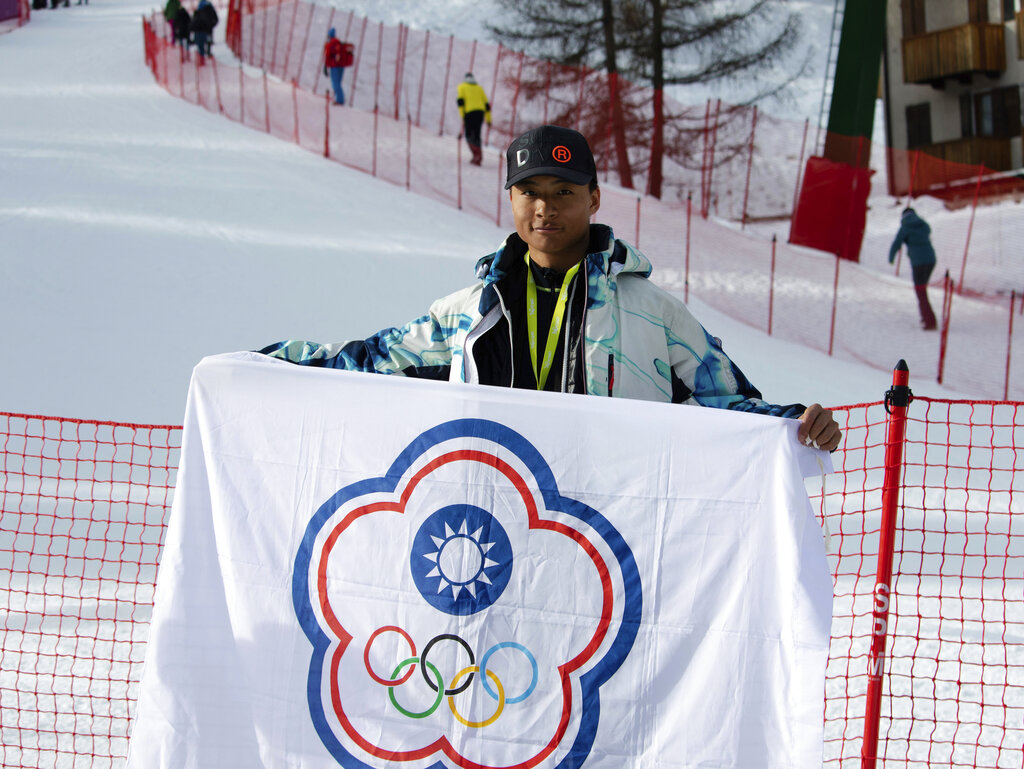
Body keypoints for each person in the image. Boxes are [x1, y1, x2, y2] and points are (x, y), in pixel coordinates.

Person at [259, 125, 842, 452]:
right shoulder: (467, 314)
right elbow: (366, 363)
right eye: (529, 191)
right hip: (496, 522)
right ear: (511, 199)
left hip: (614, 535)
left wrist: (797, 423)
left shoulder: (654, 313)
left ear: (592, 199)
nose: (545, 208)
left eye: (563, 192)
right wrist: (269, 368)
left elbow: (730, 403)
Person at [888, 206, 938, 330]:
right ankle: (925, 316)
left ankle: (930, 321)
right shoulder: (923, 224)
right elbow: (928, 231)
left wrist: (891, 257)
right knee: (922, 289)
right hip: (931, 260)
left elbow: (896, 243)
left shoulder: (905, 227)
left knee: (920, 291)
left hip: (918, 262)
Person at [457, 73, 491, 166]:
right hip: (480, 113)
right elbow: (487, 105)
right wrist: (488, 119)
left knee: (468, 134)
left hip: (469, 113)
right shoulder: (479, 88)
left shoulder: (462, 87)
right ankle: (478, 156)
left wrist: (463, 116)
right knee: (477, 134)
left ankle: (476, 155)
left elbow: (460, 102)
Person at [323, 28, 353, 106]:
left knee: (335, 83)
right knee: (338, 83)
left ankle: (340, 100)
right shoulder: (338, 43)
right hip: (341, 66)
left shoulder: (330, 44)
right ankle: (340, 99)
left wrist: (325, 67)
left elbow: (327, 56)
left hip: (334, 66)